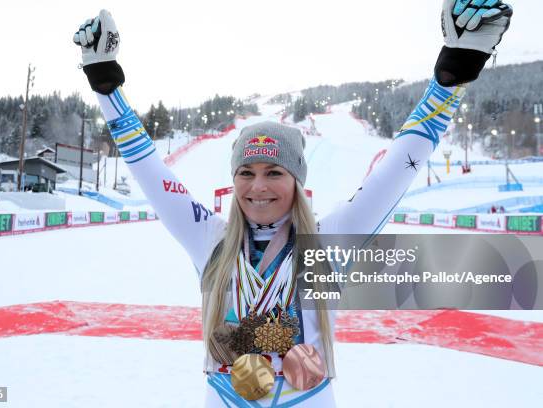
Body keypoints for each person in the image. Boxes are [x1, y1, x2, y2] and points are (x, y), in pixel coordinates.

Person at [73, 1, 512, 406]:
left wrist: (454, 72)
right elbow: (149, 167)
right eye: (246, 172)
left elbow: (398, 167)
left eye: (274, 172)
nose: (257, 186)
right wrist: (106, 83)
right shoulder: (209, 239)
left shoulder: (327, 242)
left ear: (297, 181)